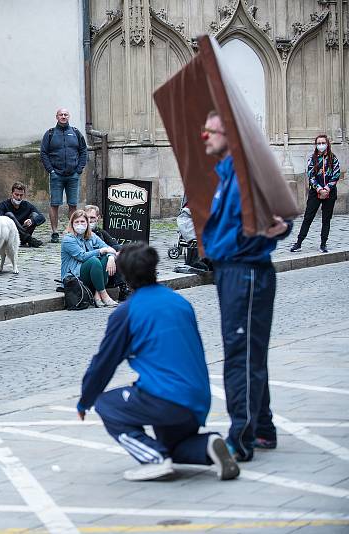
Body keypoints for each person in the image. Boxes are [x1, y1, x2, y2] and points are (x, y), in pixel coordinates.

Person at [77, 242, 240, 482]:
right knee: (174, 446)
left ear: (125, 275)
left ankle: (154, 459)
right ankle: (209, 445)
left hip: (166, 398)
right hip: (198, 397)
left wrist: (85, 401)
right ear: (155, 268)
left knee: (107, 405)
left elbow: (104, 363)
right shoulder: (179, 302)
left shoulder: (127, 312)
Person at [201, 110, 292, 461]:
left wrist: (278, 226)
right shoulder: (225, 173)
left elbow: (278, 214)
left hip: (246, 271)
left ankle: (241, 438)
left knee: (242, 354)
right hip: (229, 269)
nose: (204, 136)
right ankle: (264, 428)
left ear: (231, 135)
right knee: (248, 350)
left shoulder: (244, 173)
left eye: (212, 131)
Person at [40, 108, 87, 243]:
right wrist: (51, 170)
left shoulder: (76, 133)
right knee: (55, 204)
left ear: (69, 116)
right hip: (56, 175)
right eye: (61, 114)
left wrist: (79, 169)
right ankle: (54, 232)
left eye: (66, 114)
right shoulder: (50, 134)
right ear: (57, 117)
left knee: (73, 204)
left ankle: (72, 231)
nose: (63, 116)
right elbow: (43, 153)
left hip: (73, 175)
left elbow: (83, 151)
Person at [290, 134, 341, 253]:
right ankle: (298, 243)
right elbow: (311, 176)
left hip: (330, 192)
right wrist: (319, 189)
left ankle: (323, 244)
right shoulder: (312, 159)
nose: (321, 145)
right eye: (319, 143)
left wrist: (327, 188)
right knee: (308, 217)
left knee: (326, 219)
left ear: (327, 144)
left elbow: (336, 174)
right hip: (315, 193)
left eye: (323, 143)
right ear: (316, 145)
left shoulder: (333, 159)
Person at [60, 209, 119, 307]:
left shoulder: (92, 236)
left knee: (105, 258)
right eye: (77, 222)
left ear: (87, 223)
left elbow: (108, 248)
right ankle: (104, 295)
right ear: (72, 224)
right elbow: (82, 256)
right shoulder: (68, 239)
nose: (80, 224)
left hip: (91, 272)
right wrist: (100, 251)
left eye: (82, 221)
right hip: (74, 275)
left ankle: (97, 294)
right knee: (94, 260)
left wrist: (111, 258)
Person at [84, 205, 132, 301]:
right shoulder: (79, 234)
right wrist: (109, 255)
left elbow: (115, 247)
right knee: (109, 256)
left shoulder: (101, 233)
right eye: (87, 218)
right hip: (91, 268)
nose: (89, 220)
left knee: (118, 250)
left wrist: (112, 256)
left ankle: (123, 289)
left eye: (92, 217)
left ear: (98, 218)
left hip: (106, 269)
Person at [0, 182, 45, 248]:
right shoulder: (3, 205)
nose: (18, 197)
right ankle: (29, 239)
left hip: (23, 235)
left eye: (21, 195)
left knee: (34, 215)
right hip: (10, 237)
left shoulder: (27, 205)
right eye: (16, 194)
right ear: (12, 194)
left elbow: (42, 217)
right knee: (9, 215)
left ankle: (26, 238)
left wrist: (31, 221)